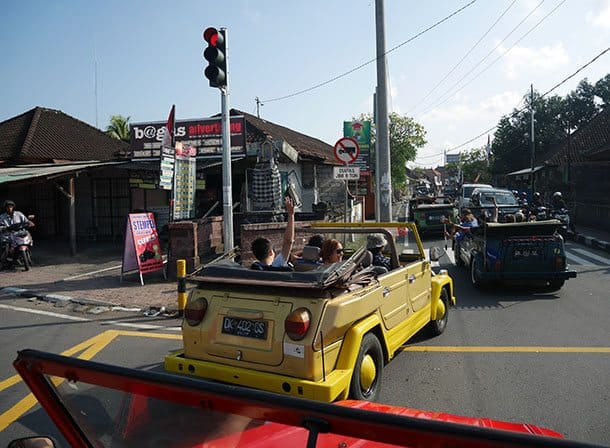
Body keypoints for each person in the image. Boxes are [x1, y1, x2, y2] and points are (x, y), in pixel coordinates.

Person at [250, 197, 295, 271]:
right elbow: (288, 241)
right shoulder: (276, 266)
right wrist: (291, 215)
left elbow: (288, 241)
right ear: (271, 252)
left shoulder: (254, 269)